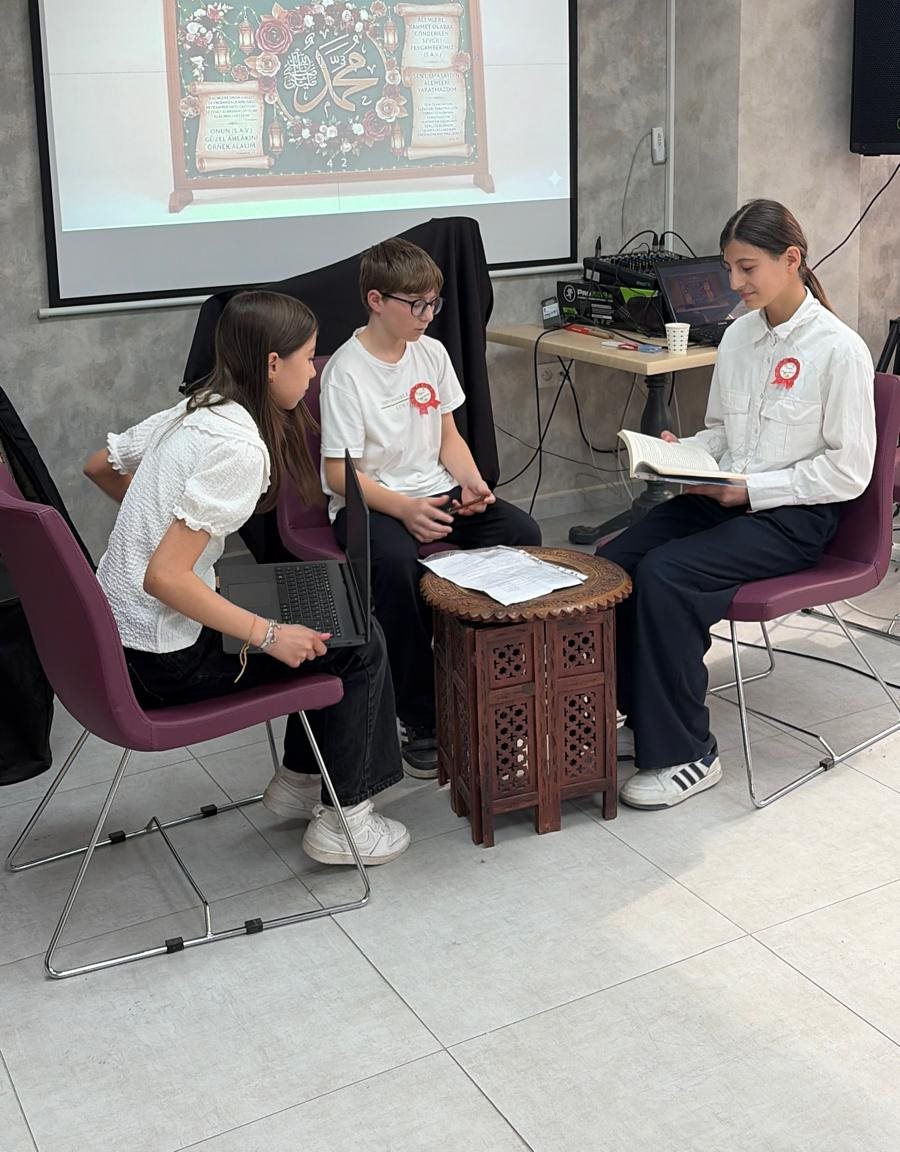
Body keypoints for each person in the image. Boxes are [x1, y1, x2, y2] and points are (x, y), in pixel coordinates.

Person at [84, 290, 408, 866]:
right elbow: (165, 577)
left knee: (328, 610)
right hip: (165, 662)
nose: (314, 371)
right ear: (272, 364)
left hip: (122, 639)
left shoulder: (196, 408)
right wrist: (268, 635)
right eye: (308, 357)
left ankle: (301, 782)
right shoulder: (238, 448)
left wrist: (156, 521)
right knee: (360, 644)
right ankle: (347, 824)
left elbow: (99, 466)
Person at [605, 199, 876, 811]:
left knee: (667, 574)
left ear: (792, 259)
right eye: (728, 267)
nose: (733, 283)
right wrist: (682, 453)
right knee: (616, 561)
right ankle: (645, 716)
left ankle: (689, 754)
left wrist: (752, 490)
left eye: (746, 267)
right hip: (729, 497)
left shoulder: (840, 350)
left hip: (794, 517)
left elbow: (849, 470)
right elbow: (723, 435)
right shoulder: (738, 336)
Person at [319, 237, 541, 778]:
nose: (426, 315)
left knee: (523, 533)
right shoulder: (345, 372)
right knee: (398, 567)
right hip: (372, 501)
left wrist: (472, 482)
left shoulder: (432, 353)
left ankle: (496, 678)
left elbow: (448, 436)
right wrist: (404, 509)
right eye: (415, 304)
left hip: (436, 490)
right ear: (376, 300)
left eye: (433, 304)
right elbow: (337, 475)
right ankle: (421, 715)